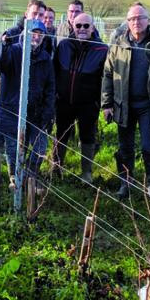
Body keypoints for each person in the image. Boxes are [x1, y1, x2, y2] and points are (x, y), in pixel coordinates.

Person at [102, 2, 150, 200]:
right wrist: (107, 104)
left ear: (148, 20)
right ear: (127, 22)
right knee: (125, 147)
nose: (136, 22)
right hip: (123, 105)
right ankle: (125, 183)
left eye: (140, 18)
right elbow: (108, 75)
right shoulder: (118, 43)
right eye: (132, 19)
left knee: (148, 147)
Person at [0, 19, 55, 192]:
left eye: (40, 34)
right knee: (12, 146)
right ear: (25, 33)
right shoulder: (13, 51)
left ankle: (29, 176)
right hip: (12, 109)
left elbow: (50, 88)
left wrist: (49, 113)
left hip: (36, 111)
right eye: (33, 32)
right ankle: (15, 178)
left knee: (40, 145)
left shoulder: (45, 58)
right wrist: (3, 46)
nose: (37, 36)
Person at [52, 12, 108, 184]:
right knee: (62, 134)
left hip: (88, 102)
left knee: (87, 136)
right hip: (64, 100)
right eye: (78, 26)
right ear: (73, 27)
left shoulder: (102, 49)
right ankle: (56, 166)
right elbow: (54, 70)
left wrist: (104, 102)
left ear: (93, 27)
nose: (82, 29)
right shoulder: (64, 45)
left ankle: (86, 172)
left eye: (86, 26)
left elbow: (107, 78)